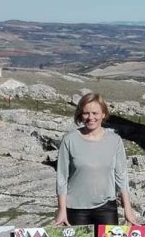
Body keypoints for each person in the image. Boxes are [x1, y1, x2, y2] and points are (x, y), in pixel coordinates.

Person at [54, 93, 137, 227]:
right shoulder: (69, 140)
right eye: (86, 113)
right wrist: (61, 210)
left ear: (103, 114)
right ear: (80, 115)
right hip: (76, 209)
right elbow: (62, 177)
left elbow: (121, 176)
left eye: (95, 113)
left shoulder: (114, 140)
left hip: (106, 208)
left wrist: (128, 209)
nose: (91, 117)